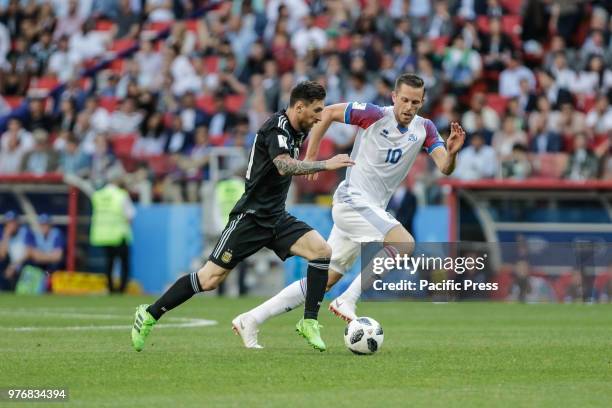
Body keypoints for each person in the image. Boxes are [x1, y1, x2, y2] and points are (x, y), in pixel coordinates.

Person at [233, 73, 465, 348]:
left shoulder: (425, 129)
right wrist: (311, 155)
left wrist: (451, 154)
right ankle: (348, 300)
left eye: (415, 102)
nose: (409, 107)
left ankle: (252, 318)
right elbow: (328, 113)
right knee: (404, 243)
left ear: (422, 102)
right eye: (404, 100)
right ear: (394, 98)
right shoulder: (373, 114)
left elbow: (444, 167)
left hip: (369, 210)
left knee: (324, 281)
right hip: (352, 200)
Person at [131, 81, 355, 352]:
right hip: (250, 218)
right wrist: (323, 163)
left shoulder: (299, 128)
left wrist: (312, 152)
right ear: (299, 107)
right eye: (316, 110)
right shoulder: (277, 128)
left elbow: (323, 121)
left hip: (276, 217)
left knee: (322, 251)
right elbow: (283, 165)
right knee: (210, 279)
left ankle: (308, 322)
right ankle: (150, 313)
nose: (320, 116)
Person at [90, 176, 136, 294]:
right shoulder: (121, 195)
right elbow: (130, 215)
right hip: (119, 234)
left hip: (103, 234)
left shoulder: (98, 195)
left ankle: (110, 288)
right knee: (124, 263)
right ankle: (121, 289)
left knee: (109, 262)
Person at [0, 211, 28, 291]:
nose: (10, 225)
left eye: (12, 222)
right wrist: (6, 235)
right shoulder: (3, 234)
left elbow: (29, 253)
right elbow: (2, 254)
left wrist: (14, 266)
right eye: (8, 223)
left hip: (22, 265)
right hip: (8, 266)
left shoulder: (25, 232)